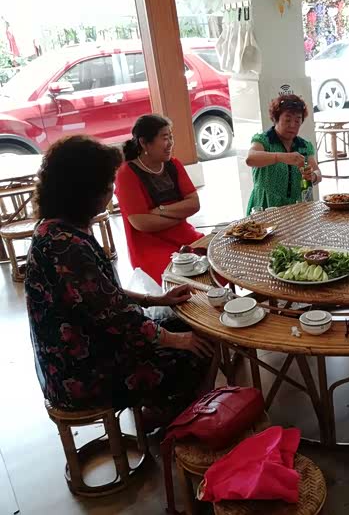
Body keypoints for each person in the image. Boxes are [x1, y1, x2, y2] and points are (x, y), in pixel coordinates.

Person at [25, 135, 217, 417]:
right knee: (200, 346)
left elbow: (101, 295)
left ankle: (166, 408)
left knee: (195, 324)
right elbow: (116, 318)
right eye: (107, 184)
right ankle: (182, 421)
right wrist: (179, 340)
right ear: (84, 191)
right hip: (81, 374)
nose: (112, 190)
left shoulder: (55, 229)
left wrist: (156, 299)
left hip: (85, 351)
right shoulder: (65, 246)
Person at [115, 115, 203, 284]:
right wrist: (180, 215)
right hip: (150, 247)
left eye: (171, 137)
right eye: (164, 138)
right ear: (144, 142)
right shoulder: (127, 173)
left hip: (186, 236)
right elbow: (141, 223)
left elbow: (194, 204)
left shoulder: (174, 164)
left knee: (217, 262)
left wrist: (160, 210)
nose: (170, 143)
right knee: (183, 280)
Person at [245, 94, 321, 214]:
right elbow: (250, 159)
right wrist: (280, 157)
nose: (292, 125)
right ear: (276, 118)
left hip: (296, 209)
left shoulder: (304, 146)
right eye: (287, 120)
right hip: (265, 207)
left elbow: (317, 172)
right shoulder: (264, 140)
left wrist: (313, 176)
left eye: (297, 121)